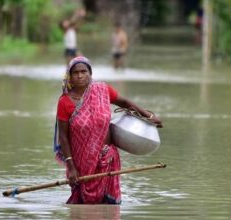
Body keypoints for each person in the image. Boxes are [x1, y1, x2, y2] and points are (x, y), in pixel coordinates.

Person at [54, 56, 162, 204]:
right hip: (81, 162)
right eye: (75, 72)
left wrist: (148, 116)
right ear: (69, 77)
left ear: (90, 74)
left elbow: (124, 102)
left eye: (84, 71)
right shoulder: (64, 102)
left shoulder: (102, 90)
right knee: (81, 203)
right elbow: (64, 137)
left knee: (108, 207)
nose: (80, 75)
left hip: (107, 158)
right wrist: (71, 167)